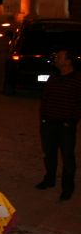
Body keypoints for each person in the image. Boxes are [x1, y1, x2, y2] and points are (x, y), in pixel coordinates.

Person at [36, 47, 81, 201]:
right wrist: (43, 118)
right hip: (48, 123)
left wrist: (71, 120)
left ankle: (67, 187)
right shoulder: (54, 77)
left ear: (68, 61)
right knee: (49, 154)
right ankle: (49, 179)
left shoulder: (77, 80)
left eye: (60, 57)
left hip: (65, 125)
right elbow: (45, 98)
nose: (56, 59)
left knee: (67, 157)